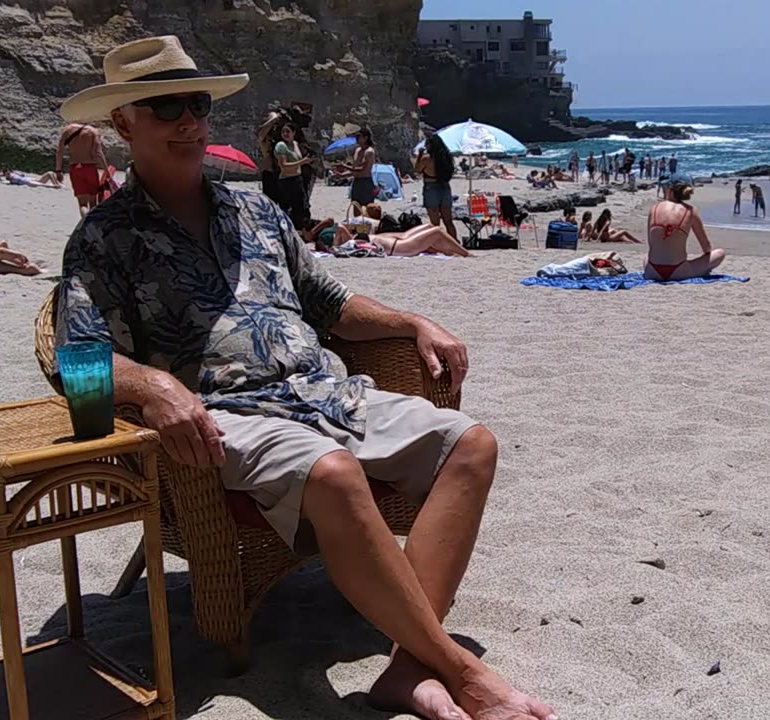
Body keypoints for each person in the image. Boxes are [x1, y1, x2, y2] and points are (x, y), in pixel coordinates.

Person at [54, 36, 556, 720]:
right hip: (222, 417)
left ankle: (412, 668)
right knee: (331, 473)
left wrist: (410, 321)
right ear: (123, 124)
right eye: (164, 106)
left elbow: (329, 303)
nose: (187, 121)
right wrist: (152, 388)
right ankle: (463, 673)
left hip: (325, 395)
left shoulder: (257, 211)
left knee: (472, 444)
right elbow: (75, 359)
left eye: (196, 103)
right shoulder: (102, 238)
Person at [645, 173, 726, 281]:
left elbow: (651, 243)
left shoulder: (654, 209)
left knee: (648, 256)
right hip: (678, 271)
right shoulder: (690, 211)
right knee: (720, 253)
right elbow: (706, 248)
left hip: (652, 271)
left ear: (670, 188)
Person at [320, 221, 472, 258]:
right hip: (401, 247)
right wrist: (333, 244)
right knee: (437, 232)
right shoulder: (346, 245)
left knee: (429, 226)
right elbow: (339, 226)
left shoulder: (349, 242)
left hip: (400, 240)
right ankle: (466, 254)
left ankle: (453, 252)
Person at [55, 121, 108, 216]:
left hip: (75, 168)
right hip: (90, 168)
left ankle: (85, 224)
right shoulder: (93, 131)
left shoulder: (68, 129)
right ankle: (93, 224)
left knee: (82, 204)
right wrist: (106, 171)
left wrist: (58, 170)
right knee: (93, 203)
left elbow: (60, 151)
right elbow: (98, 153)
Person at [415, 134, 459, 242]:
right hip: (445, 187)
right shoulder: (446, 158)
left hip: (431, 188)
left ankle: (438, 243)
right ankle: (454, 242)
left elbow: (417, 169)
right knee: (448, 221)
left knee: (435, 223)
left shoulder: (426, 158)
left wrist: (420, 155)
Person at [274, 123, 312, 229]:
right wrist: (302, 162)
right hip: (286, 181)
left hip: (297, 179)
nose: (285, 134)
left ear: (294, 133)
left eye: (288, 131)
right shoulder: (281, 145)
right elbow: (283, 165)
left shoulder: (295, 144)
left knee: (301, 209)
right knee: (286, 210)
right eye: (283, 131)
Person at [338, 127, 378, 206]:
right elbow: (354, 170)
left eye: (359, 136)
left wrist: (345, 166)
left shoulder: (369, 151)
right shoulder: (357, 150)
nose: (357, 138)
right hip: (356, 182)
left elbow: (363, 169)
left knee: (367, 208)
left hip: (366, 182)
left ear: (365, 138)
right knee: (356, 206)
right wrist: (342, 175)